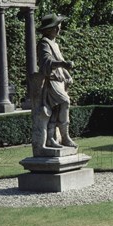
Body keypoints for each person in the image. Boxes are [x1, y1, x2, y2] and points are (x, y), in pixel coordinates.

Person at [37, 13, 77, 148]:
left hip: (60, 81)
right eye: (56, 27)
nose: (59, 29)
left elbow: (59, 61)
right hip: (51, 81)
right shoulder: (44, 43)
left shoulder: (55, 44)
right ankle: (64, 137)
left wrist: (67, 75)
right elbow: (47, 62)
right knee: (65, 102)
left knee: (56, 108)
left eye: (58, 27)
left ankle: (53, 138)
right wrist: (63, 64)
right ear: (48, 29)